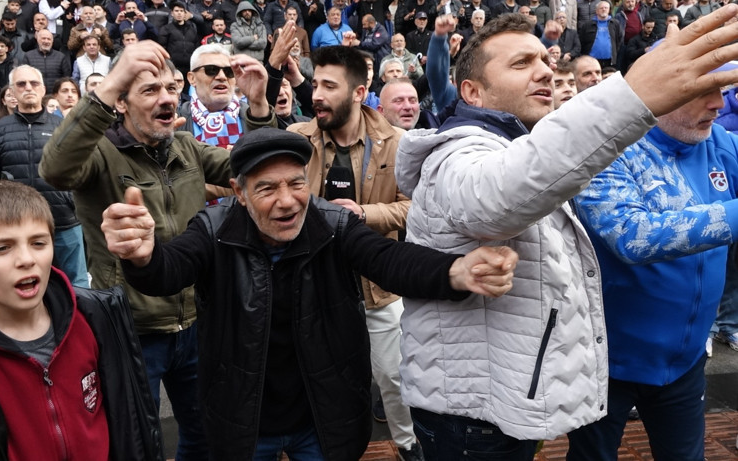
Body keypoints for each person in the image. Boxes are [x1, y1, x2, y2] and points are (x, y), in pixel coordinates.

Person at [393, 9, 738, 459]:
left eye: (543, 60)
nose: (544, 72)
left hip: (644, 366)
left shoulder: (532, 144)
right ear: (472, 92)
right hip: (478, 416)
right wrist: (634, 94)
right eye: (521, 64)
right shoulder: (458, 154)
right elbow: (502, 197)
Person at [101, 126, 519, 459]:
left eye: (296, 184)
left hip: (323, 418)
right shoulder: (213, 230)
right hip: (244, 421)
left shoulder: (334, 225)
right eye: (267, 188)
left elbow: (388, 260)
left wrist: (456, 271)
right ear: (240, 193)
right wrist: (142, 257)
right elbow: (166, 273)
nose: (287, 201)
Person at [39, 40, 273, 461]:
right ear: (121, 104)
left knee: (204, 433)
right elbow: (54, 168)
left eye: (170, 88)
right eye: (149, 90)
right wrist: (110, 83)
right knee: (135, 443)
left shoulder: (185, 147)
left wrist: (256, 106)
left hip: (196, 323)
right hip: (132, 329)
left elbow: (252, 165)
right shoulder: (100, 154)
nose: (165, 97)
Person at [566, 59, 738, 461]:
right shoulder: (607, 147)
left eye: (722, 91)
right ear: (659, 90)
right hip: (606, 363)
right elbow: (633, 235)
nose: (718, 104)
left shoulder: (718, 142)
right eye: (702, 92)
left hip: (685, 361)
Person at [0, 180, 162, 461]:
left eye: (38, 243)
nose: (26, 259)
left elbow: (135, 422)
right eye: (2, 248)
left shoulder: (98, 317)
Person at [288, 45, 423, 461]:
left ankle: (408, 445)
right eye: (314, 85)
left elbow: (415, 206)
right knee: (309, 378)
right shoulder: (297, 140)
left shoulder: (398, 143)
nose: (316, 96)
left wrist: (365, 214)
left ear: (359, 92)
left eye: (329, 86)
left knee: (394, 377)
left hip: (378, 286)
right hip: (311, 285)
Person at [0, 65, 89, 289]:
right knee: (29, 284)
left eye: (33, 83)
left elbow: (80, 170)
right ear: (11, 92)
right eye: (21, 84)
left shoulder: (63, 126)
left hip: (64, 220)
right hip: (19, 223)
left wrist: (71, 202)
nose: (28, 88)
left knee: (77, 285)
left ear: (43, 89)